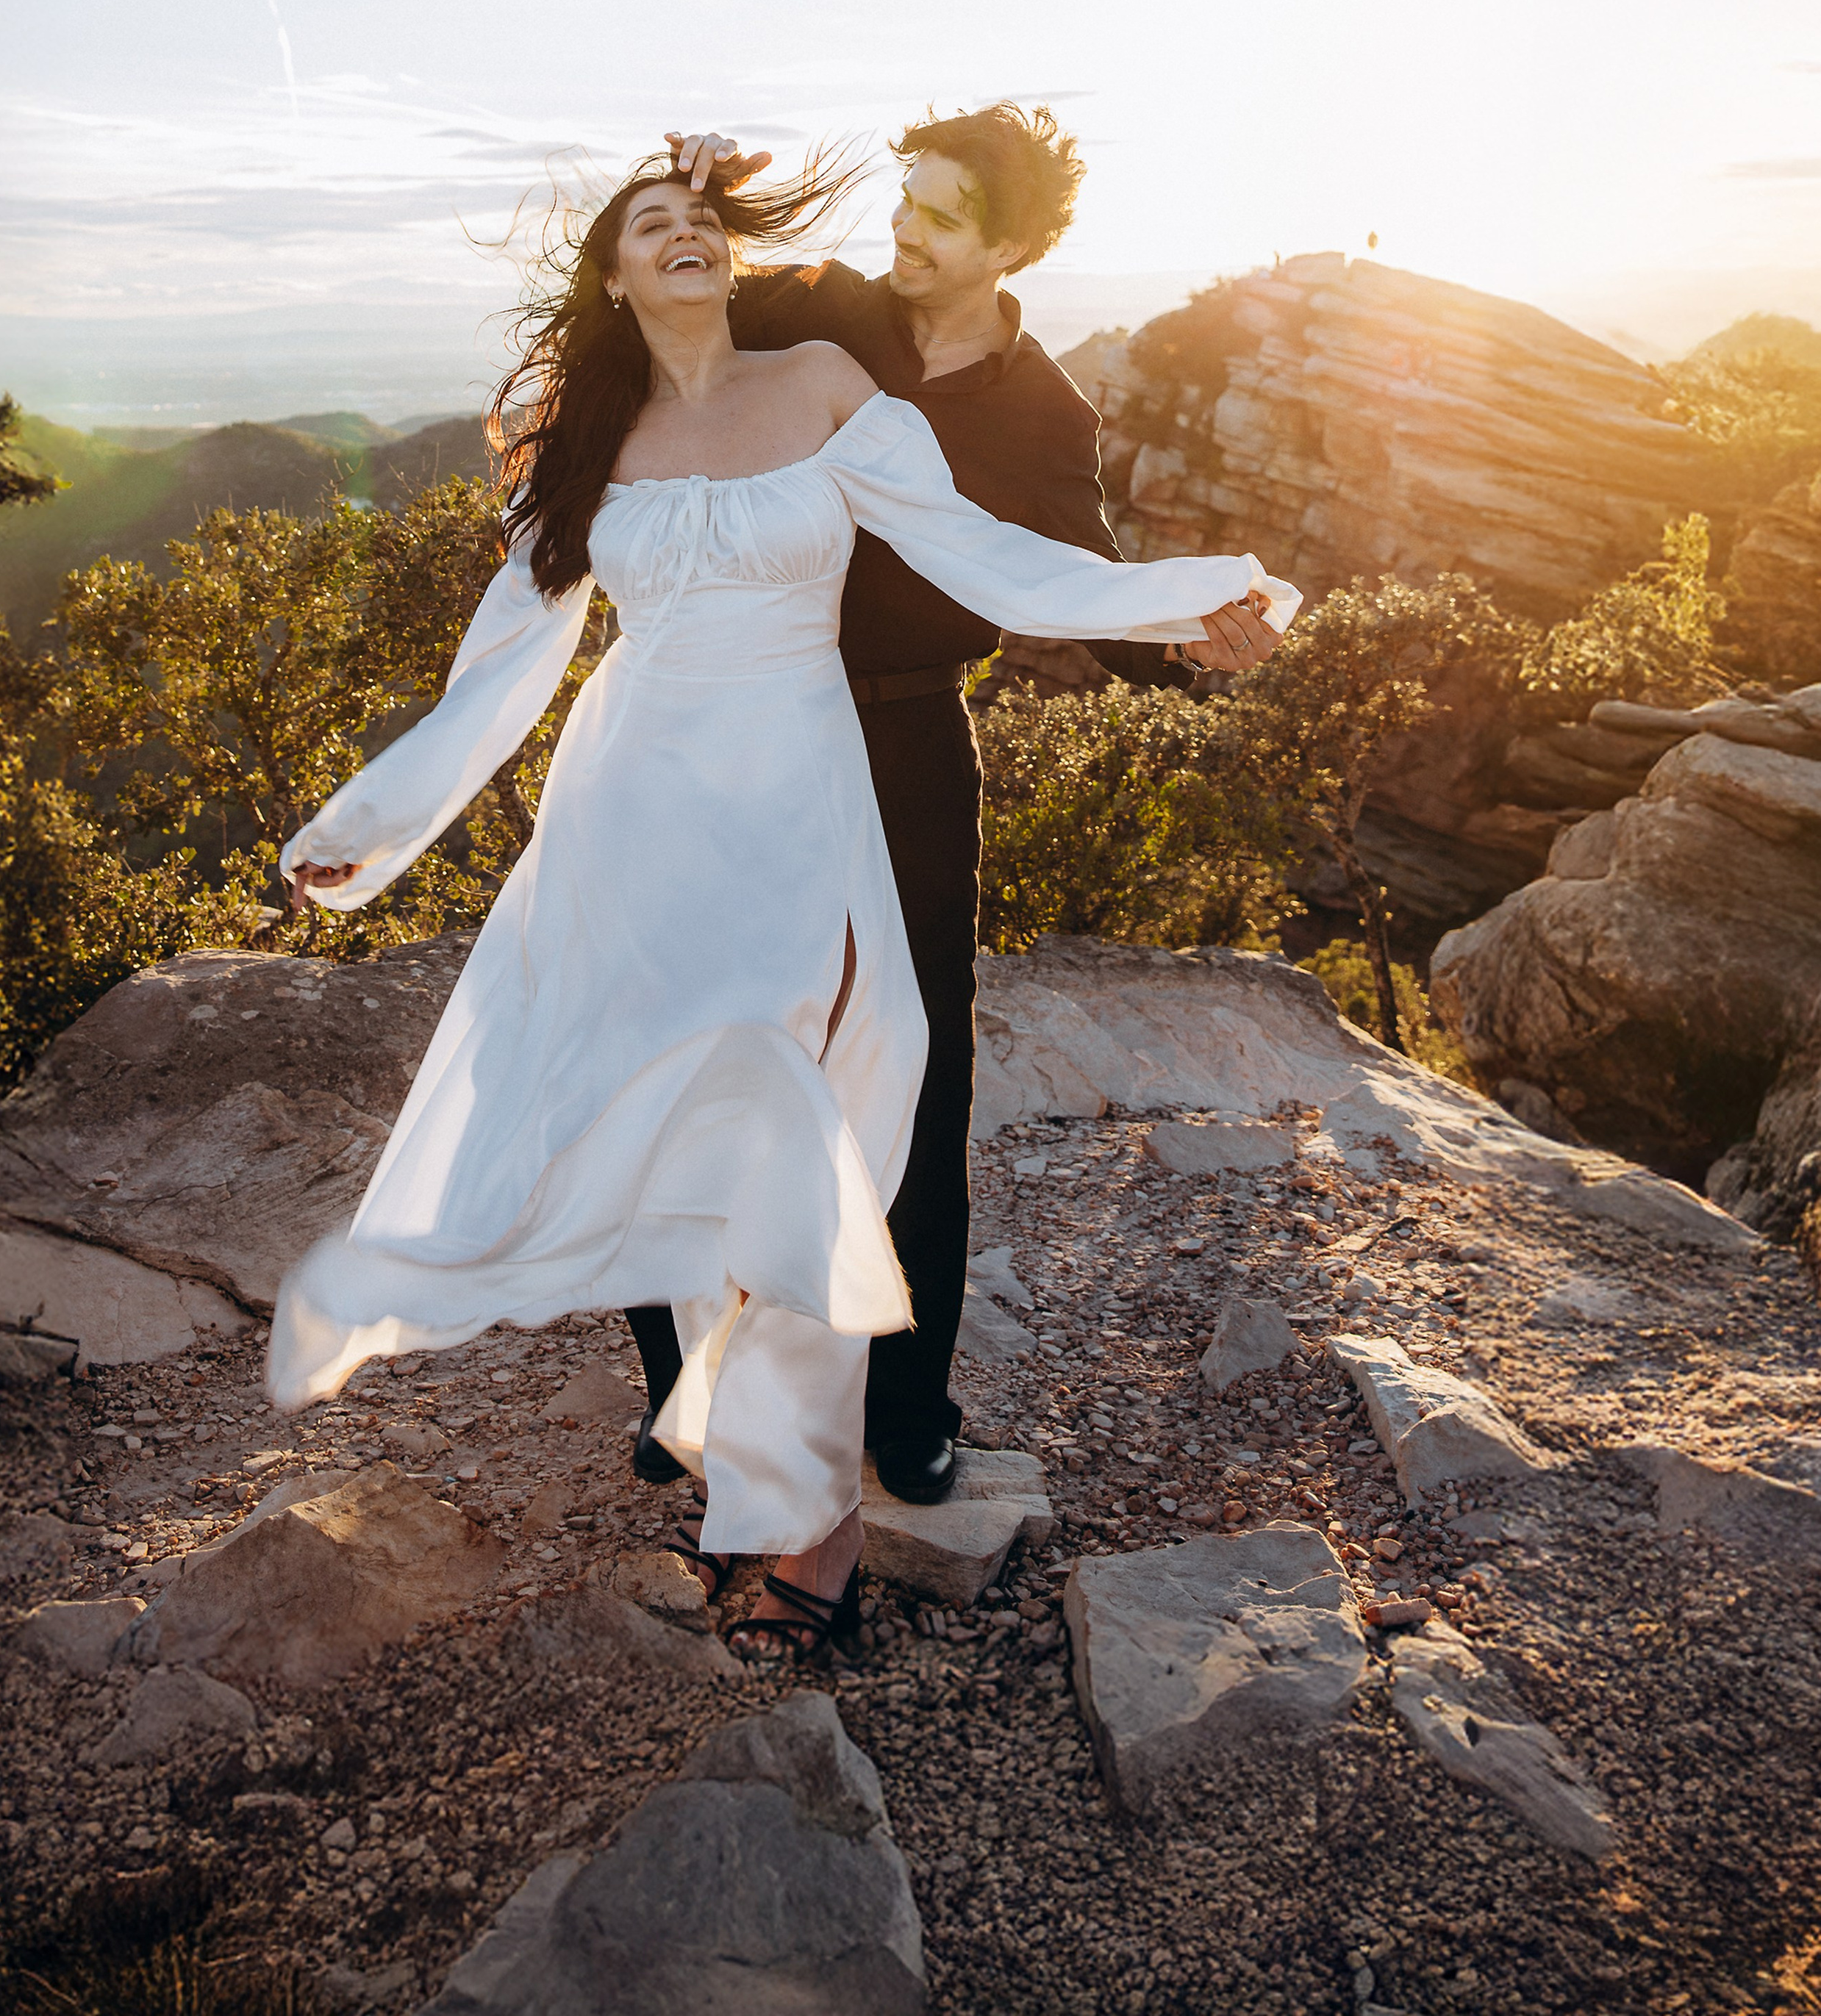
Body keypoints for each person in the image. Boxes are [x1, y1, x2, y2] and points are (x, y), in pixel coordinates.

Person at [272, 148, 1298, 1668]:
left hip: (803, 787)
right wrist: (372, 824)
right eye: (648, 226)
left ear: (729, 261)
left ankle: (808, 1508)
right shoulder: (584, 430)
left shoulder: (820, 374)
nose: (681, 235)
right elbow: (505, 656)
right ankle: (752, 1485)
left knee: (805, 1117)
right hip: (636, 806)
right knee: (671, 1120)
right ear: (613, 276)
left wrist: (1184, 601)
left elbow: (985, 555)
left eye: (697, 221)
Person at [623, 104, 1281, 1513]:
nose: (904, 227)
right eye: (905, 196)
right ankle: (694, 1384)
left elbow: (1081, 587)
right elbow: (668, 313)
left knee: (915, 1082)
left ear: (1014, 245)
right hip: (724, 734)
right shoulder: (821, 311)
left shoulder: (1049, 411)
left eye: (939, 213)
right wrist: (689, 190)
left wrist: (1192, 632)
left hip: (905, 745)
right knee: (693, 1063)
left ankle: (909, 1407)